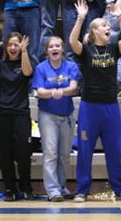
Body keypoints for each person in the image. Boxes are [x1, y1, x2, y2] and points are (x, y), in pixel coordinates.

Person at [68, 0, 121, 202]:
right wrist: (81, 17)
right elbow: (73, 42)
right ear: (94, 32)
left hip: (110, 107)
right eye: (103, 26)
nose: (108, 28)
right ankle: (82, 190)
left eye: (108, 26)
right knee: (84, 150)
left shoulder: (114, 48)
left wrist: (120, 16)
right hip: (89, 107)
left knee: (115, 150)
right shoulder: (86, 51)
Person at [32, 36, 79, 201]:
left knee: (64, 154)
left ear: (62, 48)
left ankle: (61, 186)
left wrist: (57, 91)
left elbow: (74, 87)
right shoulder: (41, 68)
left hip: (67, 115)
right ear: (47, 51)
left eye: (57, 45)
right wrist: (55, 92)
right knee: (50, 153)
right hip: (48, 116)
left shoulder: (71, 66)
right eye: (51, 46)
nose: (54, 49)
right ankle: (52, 190)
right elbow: (39, 92)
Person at [0, 32, 33, 201]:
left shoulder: (25, 62)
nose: (13, 48)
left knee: (23, 153)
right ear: (6, 47)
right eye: (10, 45)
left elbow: (27, 73)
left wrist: (25, 52)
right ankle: (10, 189)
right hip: (1, 115)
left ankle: (27, 188)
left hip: (21, 114)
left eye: (16, 44)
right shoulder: (0, 63)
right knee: (4, 155)